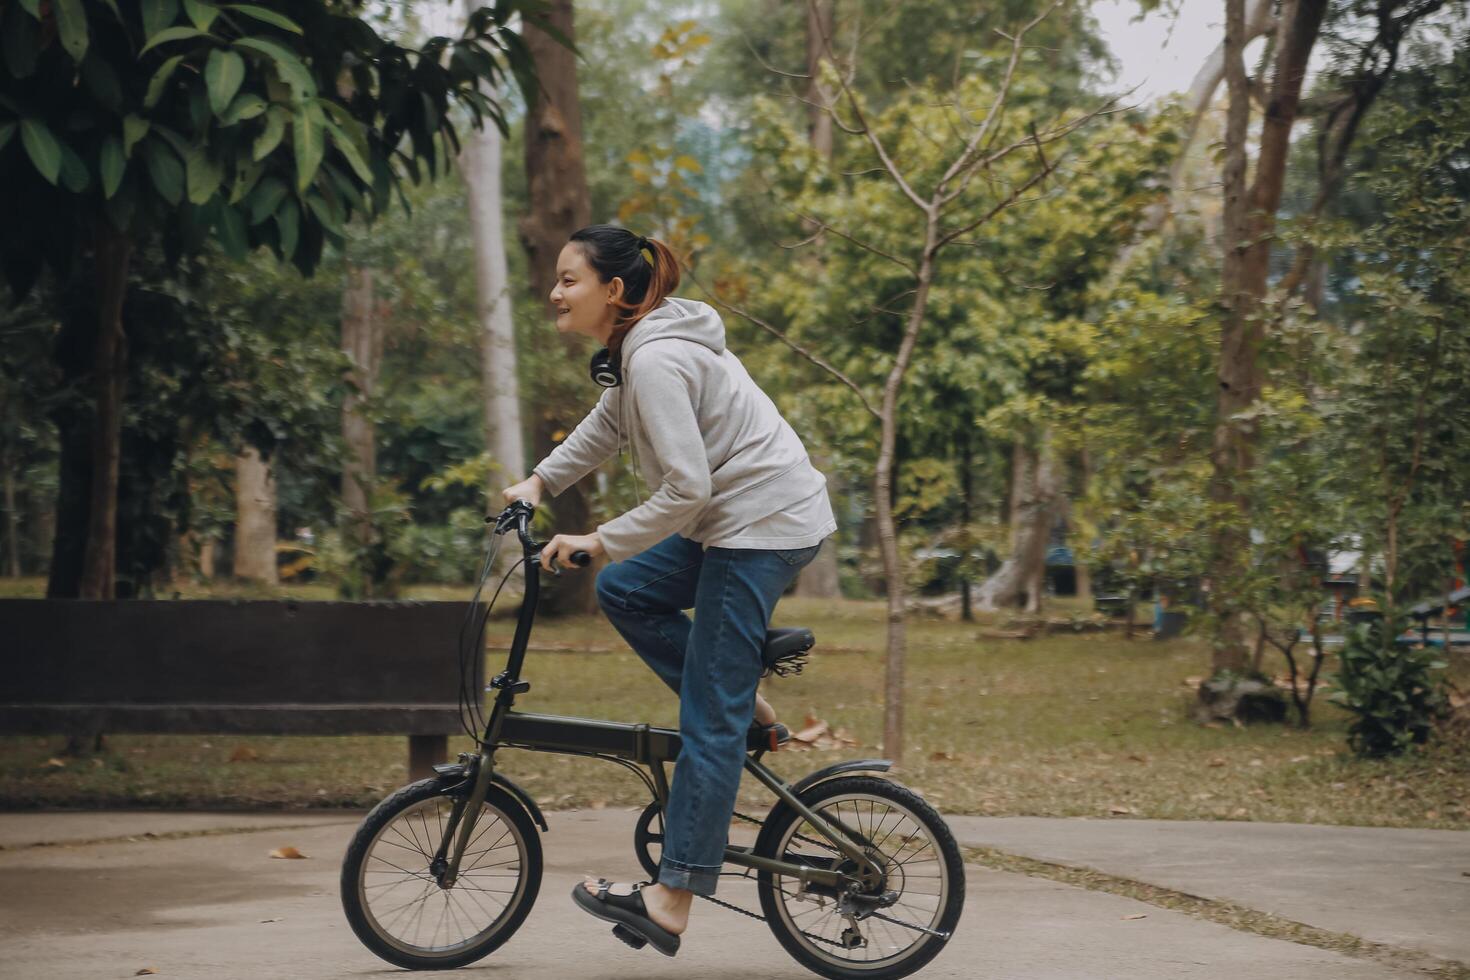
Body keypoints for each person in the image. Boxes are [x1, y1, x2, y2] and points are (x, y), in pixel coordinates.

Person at [499, 224, 836, 957]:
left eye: (568, 280)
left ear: (613, 291)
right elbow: (605, 428)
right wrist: (541, 480)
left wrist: (597, 537)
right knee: (625, 590)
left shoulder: (654, 358)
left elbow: (687, 488)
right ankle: (742, 698)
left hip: (761, 524)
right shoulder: (637, 353)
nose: (554, 292)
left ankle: (673, 897)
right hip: (736, 519)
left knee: (708, 720)